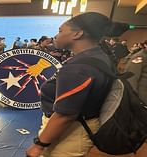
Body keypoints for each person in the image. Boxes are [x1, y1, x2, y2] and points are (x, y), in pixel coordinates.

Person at [26, 12, 128, 157]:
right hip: (78, 125)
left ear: (78, 34)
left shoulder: (79, 69)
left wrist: (39, 145)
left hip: (70, 132)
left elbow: (64, 116)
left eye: (61, 31)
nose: (56, 35)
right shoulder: (98, 55)